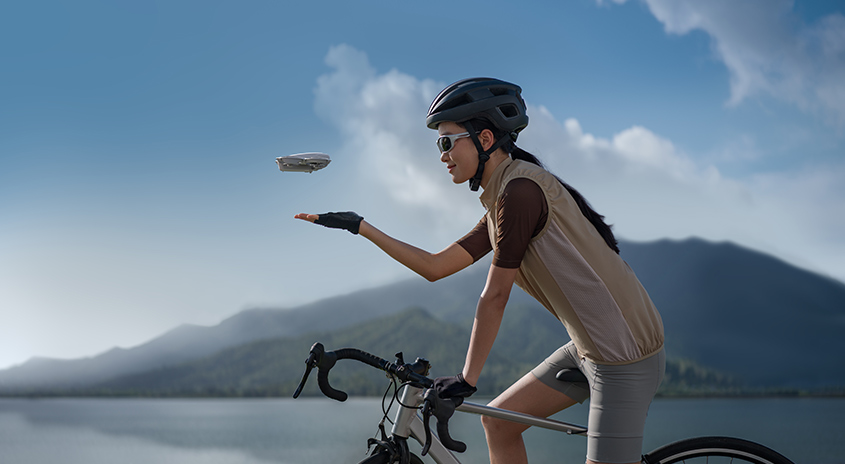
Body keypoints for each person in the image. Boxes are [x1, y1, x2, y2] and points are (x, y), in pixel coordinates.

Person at [296, 78, 665, 464]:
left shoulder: (520, 195)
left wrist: (467, 380)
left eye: (446, 142)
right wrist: (360, 226)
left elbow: (495, 296)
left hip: (624, 357)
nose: (442, 156)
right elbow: (436, 266)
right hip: (590, 348)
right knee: (499, 425)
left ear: (485, 139)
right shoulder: (502, 201)